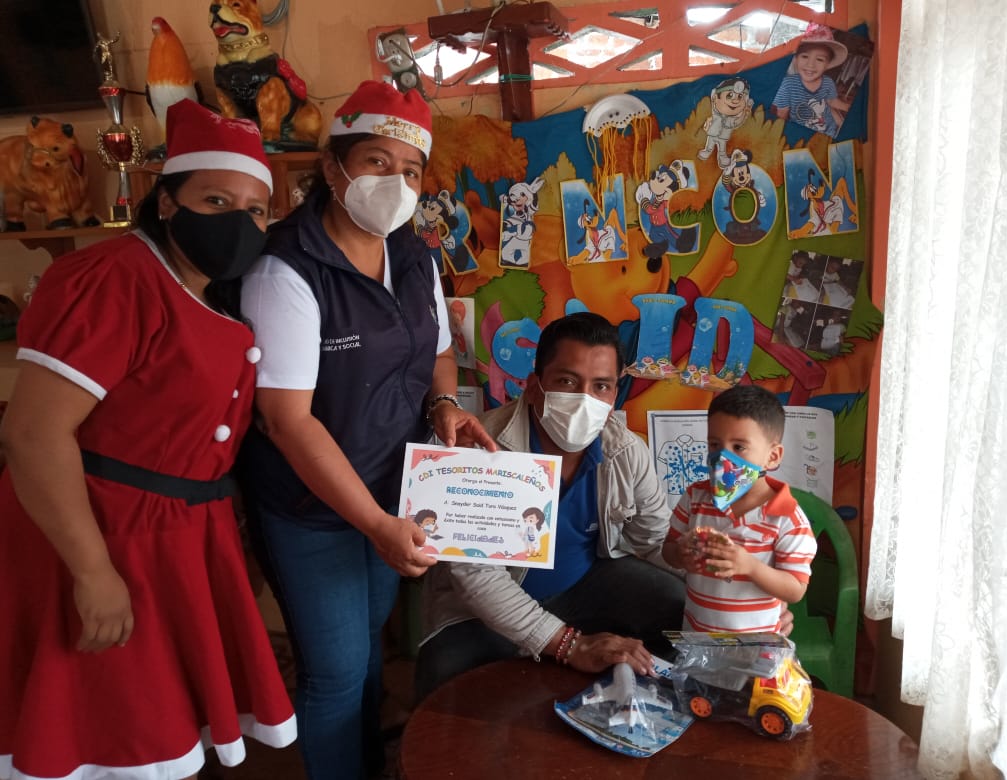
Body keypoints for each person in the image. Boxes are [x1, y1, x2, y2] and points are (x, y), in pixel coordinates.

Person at [0, 99, 296, 780]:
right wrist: (92, 570)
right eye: (216, 200)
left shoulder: (206, 291)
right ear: (166, 203)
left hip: (172, 535)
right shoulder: (115, 279)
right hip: (102, 531)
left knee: (155, 726)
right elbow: (34, 434)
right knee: (105, 729)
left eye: (255, 210)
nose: (238, 221)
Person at [235, 80, 494, 780]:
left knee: (371, 648)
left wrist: (445, 406)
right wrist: (376, 525)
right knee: (336, 672)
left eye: (410, 171)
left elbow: (438, 351)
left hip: (391, 490)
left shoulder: (413, 255)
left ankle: (369, 763)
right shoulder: (285, 270)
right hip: (311, 507)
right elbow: (286, 420)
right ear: (332, 168)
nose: (396, 183)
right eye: (377, 162)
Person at [416, 312, 690, 701]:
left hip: (583, 585)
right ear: (533, 387)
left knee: (681, 607)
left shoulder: (626, 451)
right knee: (445, 684)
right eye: (567, 382)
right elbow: (476, 575)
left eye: (601, 386)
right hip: (481, 608)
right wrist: (569, 644)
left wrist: (725, 583)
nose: (584, 400)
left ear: (614, 395)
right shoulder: (481, 447)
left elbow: (655, 540)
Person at [662, 385, 817, 633]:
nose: (723, 457)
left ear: (773, 456)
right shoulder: (694, 498)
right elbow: (668, 549)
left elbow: (795, 589)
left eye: (739, 447)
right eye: (715, 444)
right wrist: (680, 555)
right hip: (698, 638)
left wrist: (751, 566)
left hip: (756, 645)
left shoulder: (788, 518)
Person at [771, 23, 849, 138]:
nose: (810, 65)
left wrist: (847, 109)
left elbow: (831, 102)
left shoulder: (827, 82)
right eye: (805, 56)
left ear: (828, 65)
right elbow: (781, 114)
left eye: (819, 59)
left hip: (829, 132)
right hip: (801, 135)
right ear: (795, 59)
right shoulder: (787, 85)